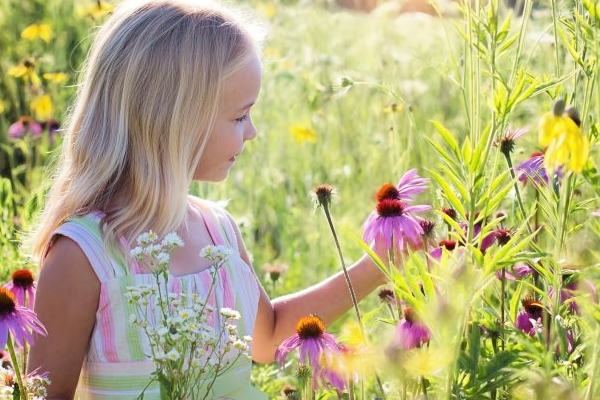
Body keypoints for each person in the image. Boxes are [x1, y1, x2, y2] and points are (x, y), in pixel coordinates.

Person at [25, 0, 388, 398]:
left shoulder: (219, 232)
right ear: (174, 120)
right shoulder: (85, 256)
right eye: (239, 116)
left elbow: (267, 338)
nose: (252, 132)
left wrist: (377, 266)